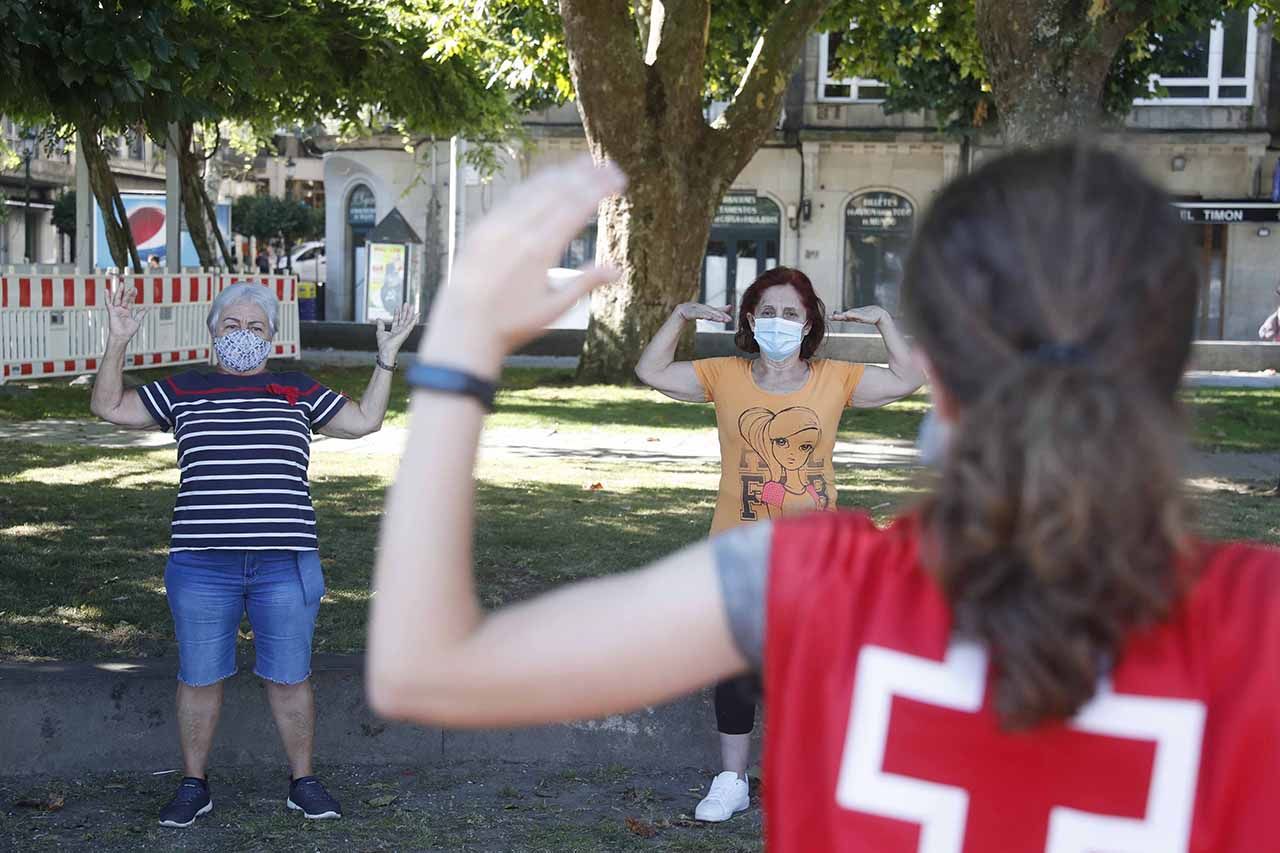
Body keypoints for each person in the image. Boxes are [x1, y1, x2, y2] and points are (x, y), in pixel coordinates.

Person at [366, 150, 1280, 852]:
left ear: (944, 380)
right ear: (1175, 369)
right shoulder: (1260, 622)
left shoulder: (808, 579)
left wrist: (460, 349)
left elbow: (422, 669)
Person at [90, 281, 418, 829]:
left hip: (284, 564)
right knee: (198, 677)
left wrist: (386, 360)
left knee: (290, 677)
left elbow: (365, 421)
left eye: (256, 327)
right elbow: (108, 406)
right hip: (201, 562)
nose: (244, 336)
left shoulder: (297, 389)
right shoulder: (183, 388)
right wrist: (118, 341)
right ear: (214, 334)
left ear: (272, 338)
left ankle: (303, 782)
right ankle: (194, 785)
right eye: (232, 326)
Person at [633, 267, 923, 821]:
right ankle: (732, 780)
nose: (779, 322)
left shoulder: (837, 378)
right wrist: (680, 318)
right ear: (749, 318)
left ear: (809, 321)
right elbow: (650, 370)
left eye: (792, 313)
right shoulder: (723, 374)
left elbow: (908, 379)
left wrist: (884, 320)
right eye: (767, 311)